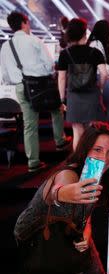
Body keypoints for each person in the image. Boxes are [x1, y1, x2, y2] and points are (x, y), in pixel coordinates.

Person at [14, 122, 109, 274]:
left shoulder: (97, 175)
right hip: (37, 234)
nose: (104, 158)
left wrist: (87, 229)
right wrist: (61, 192)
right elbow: (57, 190)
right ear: (85, 148)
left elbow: (85, 211)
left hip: (71, 231)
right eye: (97, 149)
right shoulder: (69, 174)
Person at [0, 11, 69, 172]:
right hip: (41, 84)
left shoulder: (5, 46)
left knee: (29, 125)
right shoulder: (34, 41)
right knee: (56, 108)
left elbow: (4, 75)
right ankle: (60, 141)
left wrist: (18, 80)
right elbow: (49, 65)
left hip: (20, 87)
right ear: (24, 23)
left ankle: (33, 162)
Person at [57, 18, 108, 151]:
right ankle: (92, 164)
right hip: (92, 94)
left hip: (74, 97)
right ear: (84, 33)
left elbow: (61, 78)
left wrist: (61, 99)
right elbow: (104, 74)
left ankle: (78, 163)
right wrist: (100, 88)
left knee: (77, 132)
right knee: (92, 131)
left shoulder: (64, 54)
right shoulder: (95, 52)